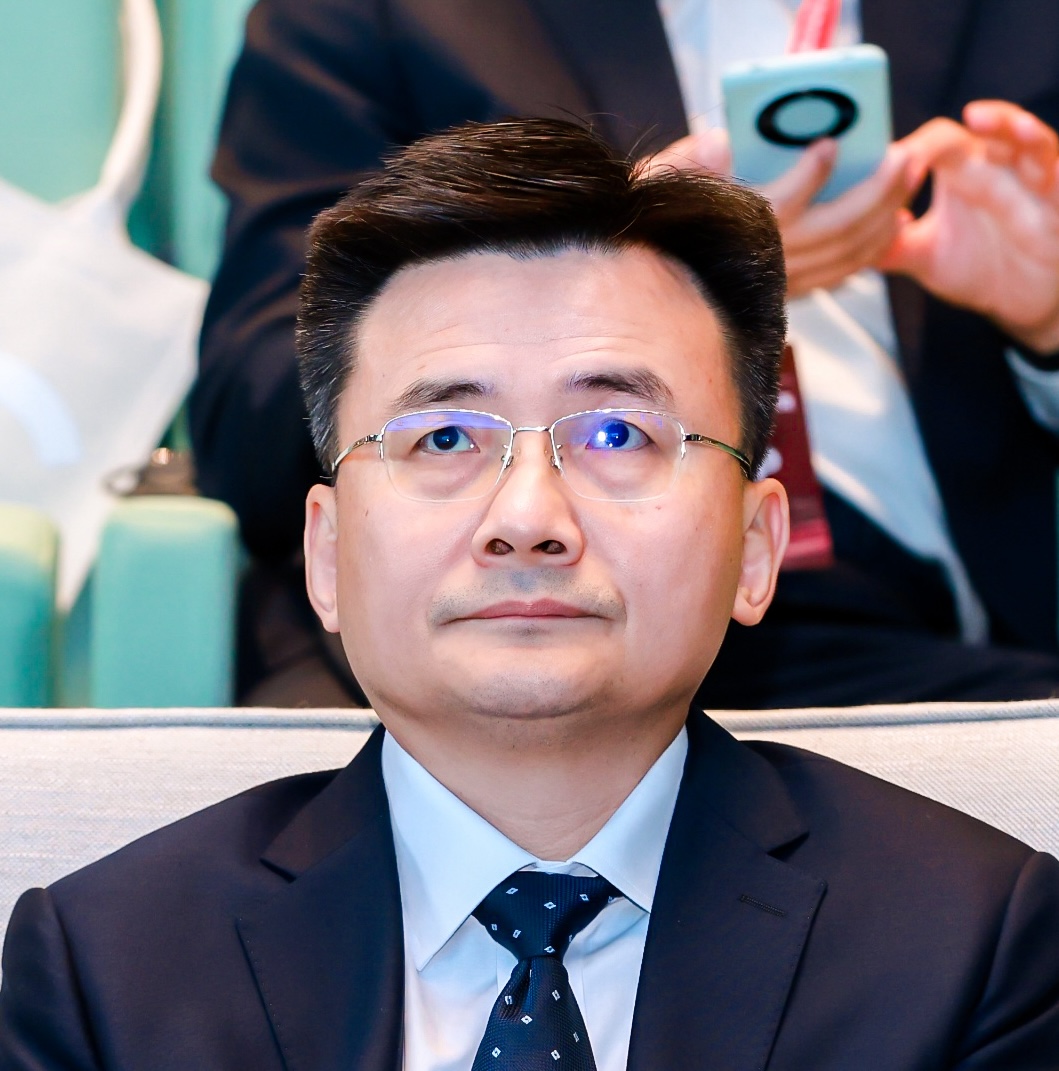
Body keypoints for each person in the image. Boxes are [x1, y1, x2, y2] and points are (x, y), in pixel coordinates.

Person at [3, 118, 1058, 1070]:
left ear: (754, 546)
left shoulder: (971, 946)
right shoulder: (106, 970)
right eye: (444, 438)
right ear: (325, 555)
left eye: (617, 433)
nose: (527, 516)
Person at [190, 0, 1059, 709]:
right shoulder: (380, 15)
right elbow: (251, 415)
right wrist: (628, 261)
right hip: (519, 605)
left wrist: (1048, 321)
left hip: (940, 625)